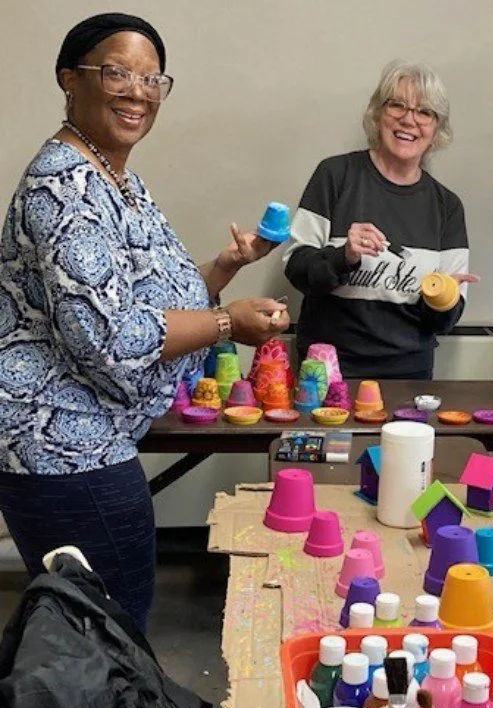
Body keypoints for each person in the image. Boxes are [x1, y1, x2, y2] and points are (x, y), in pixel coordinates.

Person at [0, 13, 289, 632]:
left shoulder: (114, 174)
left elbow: (150, 302)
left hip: (92, 440)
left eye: (153, 78)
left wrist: (225, 268)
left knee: (98, 638)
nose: (138, 91)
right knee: (107, 639)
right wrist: (225, 325)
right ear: (69, 80)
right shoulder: (63, 185)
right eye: (118, 72)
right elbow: (112, 338)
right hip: (63, 448)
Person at [284, 60, 478, 380]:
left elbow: (444, 322)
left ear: (436, 130)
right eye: (397, 105)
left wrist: (440, 297)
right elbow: (296, 268)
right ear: (378, 113)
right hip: (328, 369)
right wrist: (343, 255)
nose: (408, 119)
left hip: (408, 373)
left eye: (424, 112)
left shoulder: (447, 206)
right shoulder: (335, 176)